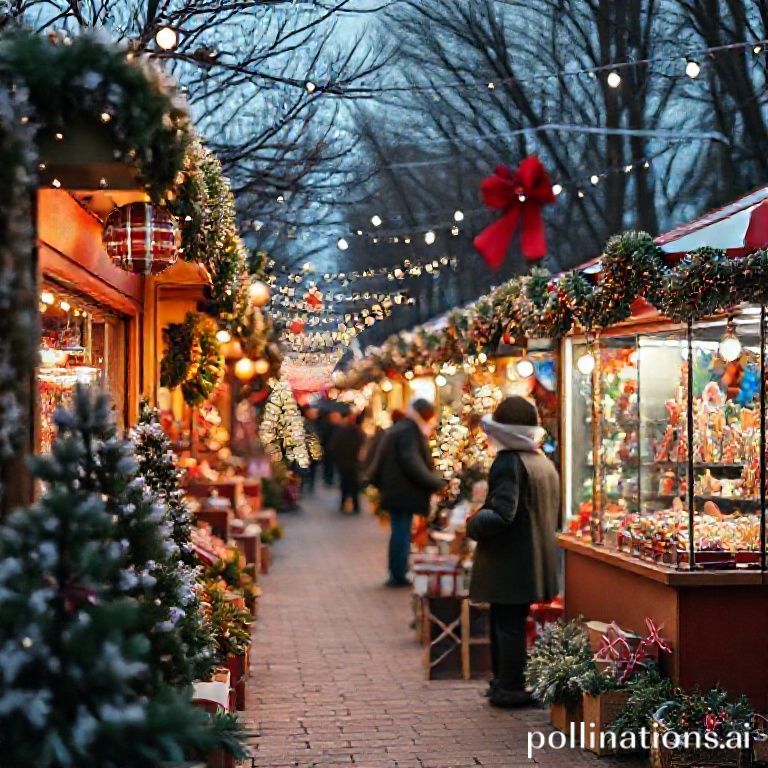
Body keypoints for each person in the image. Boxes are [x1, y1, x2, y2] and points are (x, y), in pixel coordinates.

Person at [466, 396, 560, 709]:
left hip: (510, 560)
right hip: (530, 558)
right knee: (512, 622)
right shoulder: (541, 460)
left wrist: (474, 522)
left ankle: (509, 685)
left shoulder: (509, 463)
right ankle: (508, 682)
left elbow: (502, 514)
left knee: (506, 624)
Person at [376, 399, 445, 587]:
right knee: (402, 532)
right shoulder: (409, 431)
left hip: (398, 490)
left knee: (400, 531)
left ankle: (397, 571)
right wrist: (435, 482)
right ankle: (399, 573)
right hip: (402, 492)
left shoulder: (404, 428)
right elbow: (412, 462)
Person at [328, 410, 365, 513]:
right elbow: (360, 444)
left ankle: (343, 503)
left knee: (344, 483)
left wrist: (337, 459)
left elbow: (333, 446)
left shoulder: (340, 431)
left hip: (343, 462)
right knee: (353, 484)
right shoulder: (357, 431)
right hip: (353, 462)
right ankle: (355, 505)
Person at [317, 410, 341, 487]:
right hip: (328, 449)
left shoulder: (339, 427)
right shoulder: (327, 426)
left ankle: (329, 479)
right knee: (328, 466)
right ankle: (328, 479)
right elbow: (323, 437)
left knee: (331, 466)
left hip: (334, 450)